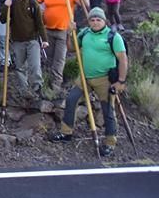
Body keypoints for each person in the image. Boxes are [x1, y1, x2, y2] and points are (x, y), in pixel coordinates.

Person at [51, 8, 127, 157]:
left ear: (104, 21)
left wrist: (121, 81)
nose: (95, 22)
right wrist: (69, 33)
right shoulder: (85, 33)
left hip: (104, 79)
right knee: (71, 100)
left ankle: (110, 142)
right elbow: (72, 48)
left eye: (98, 19)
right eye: (92, 20)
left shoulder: (113, 36)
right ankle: (66, 133)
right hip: (85, 77)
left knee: (108, 110)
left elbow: (123, 59)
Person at [36, 0, 88, 95]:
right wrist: (41, 14)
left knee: (59, 59)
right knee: (49, 58)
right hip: (47, 30)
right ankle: (47, 81)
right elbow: (37, 3)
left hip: (63, 31)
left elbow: (85, 4)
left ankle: (56, 85)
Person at [0, 0, 47, 99]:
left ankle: (37, 88)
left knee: (35, 65)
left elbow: (39, 23)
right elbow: (3, 20)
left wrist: (44, 39)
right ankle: (24, 90)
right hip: (17, 41)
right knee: (20, 67)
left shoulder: (33, 3)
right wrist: (6, 6)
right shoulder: (13, 4)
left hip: (33, 40)